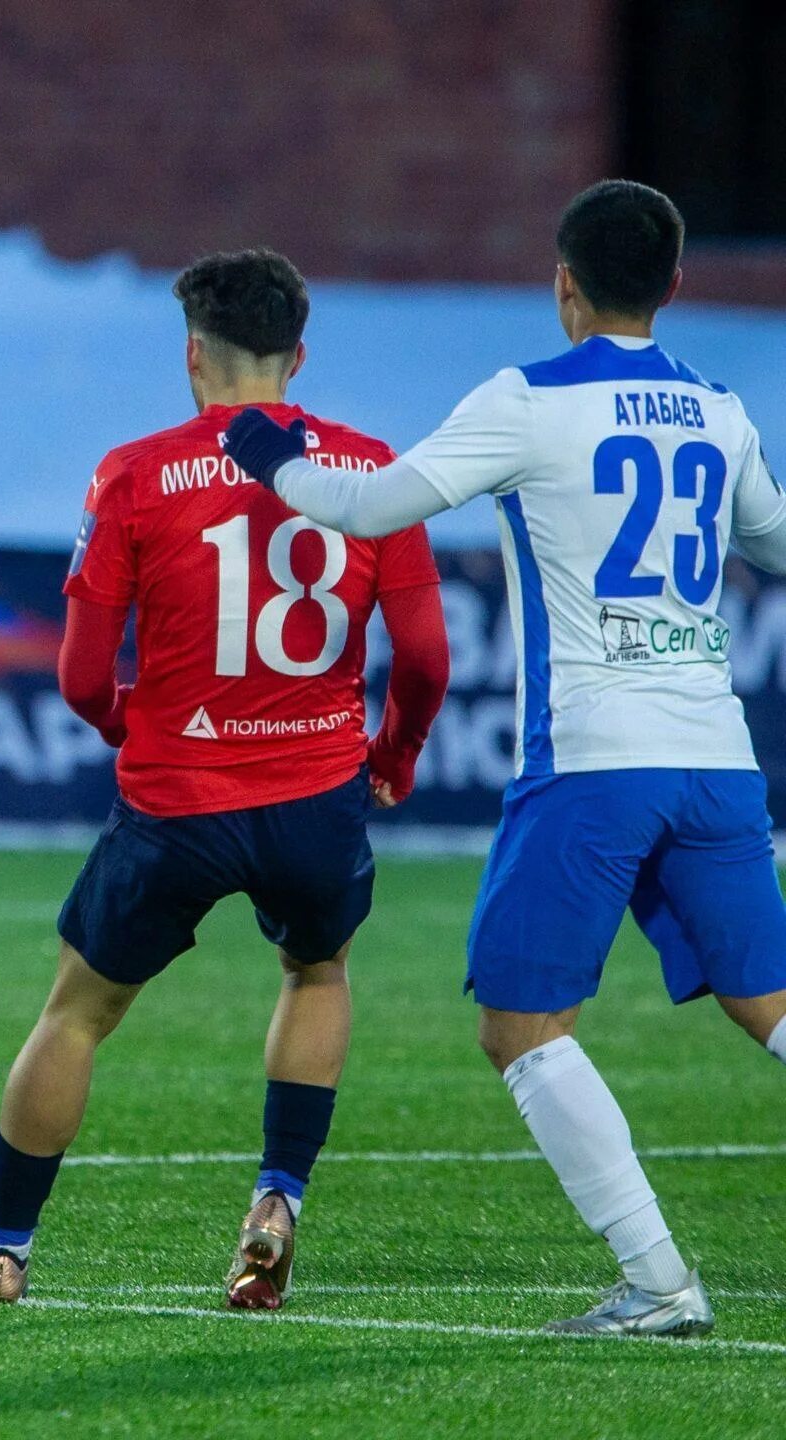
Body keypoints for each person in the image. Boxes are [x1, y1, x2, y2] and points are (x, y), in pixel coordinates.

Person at [223, 179, 786, 1337]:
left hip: (591, 761)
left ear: (564, 285)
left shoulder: (530, 400)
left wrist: (262, 444)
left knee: (520, 1028)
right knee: (770, 1005)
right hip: (717, 759)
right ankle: (657, 1282)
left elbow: (373, 505)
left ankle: (661, 1281)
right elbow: (776, 538)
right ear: (675, 286)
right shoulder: (723, 411)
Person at [0, 249, 449, 1306]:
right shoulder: (373, 470)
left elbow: (83, 672)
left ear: (194, 355)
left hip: (176, 799)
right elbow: (425, 660)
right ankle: (277, 1195)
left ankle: (6, 1249)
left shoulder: (134, 473)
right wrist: (392, 760)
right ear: (298, 357)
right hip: (316, 793)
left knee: (77, 1015)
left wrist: (123, 725)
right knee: (315, 972)